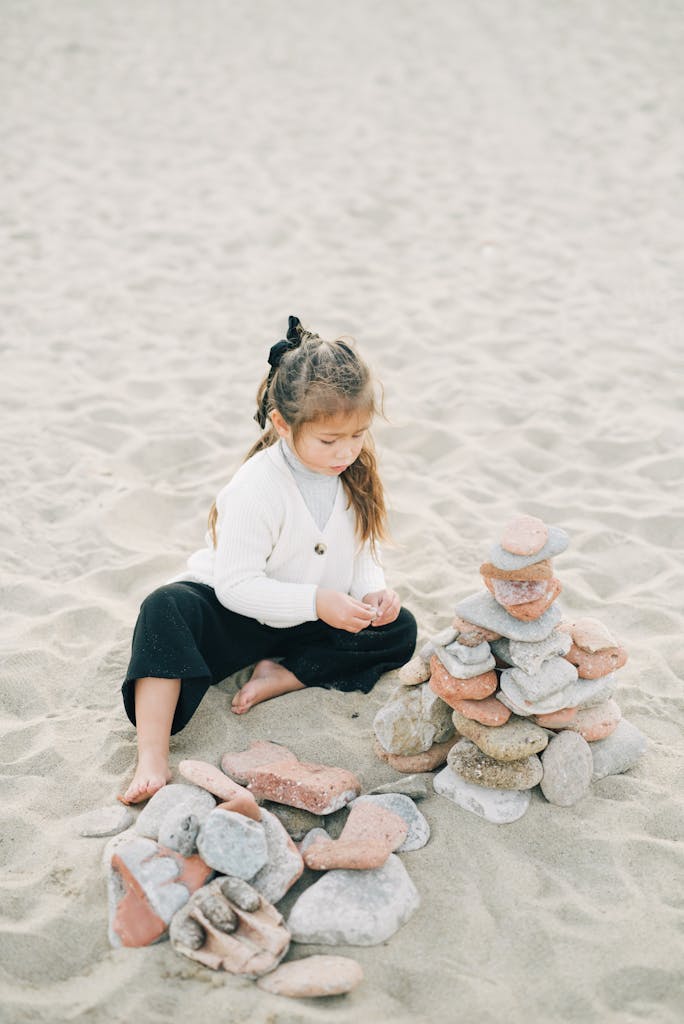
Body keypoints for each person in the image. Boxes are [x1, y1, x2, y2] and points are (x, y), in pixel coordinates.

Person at [119, 316, 417, 804]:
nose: (347, 451)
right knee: (163, 609)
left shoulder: (353, 471)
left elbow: (364, 549)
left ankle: (283, 675)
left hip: (310, 616)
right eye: (329, 441)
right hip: (235, 615)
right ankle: (151, 753)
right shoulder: (257, 486)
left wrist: (371, 592)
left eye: (358, 435)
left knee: (400, 627)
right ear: (283, 424)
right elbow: (236, 586)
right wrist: (317, 601)